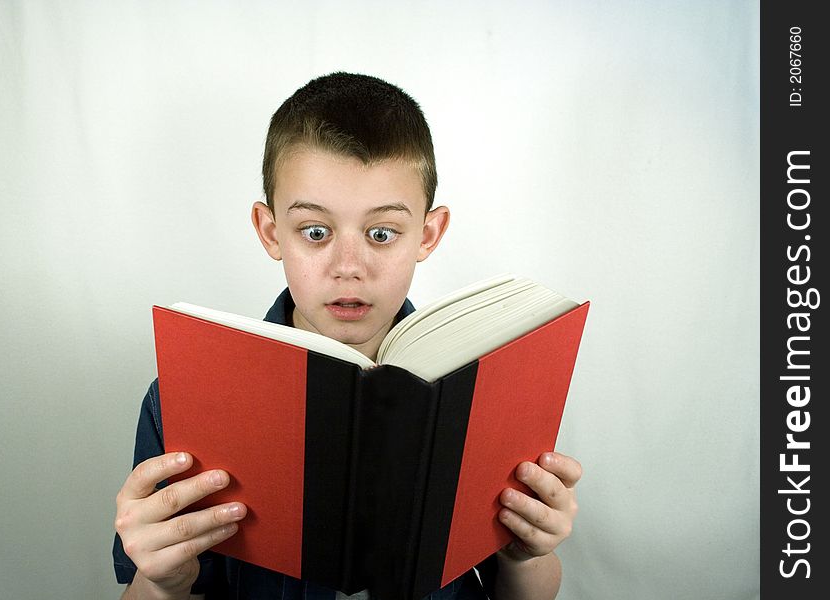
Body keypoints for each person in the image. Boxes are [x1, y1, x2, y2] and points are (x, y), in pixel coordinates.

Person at [113, 72, 582, 600]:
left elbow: (525, 593)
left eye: (382, 233)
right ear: (271, 232)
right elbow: (150, 587)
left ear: (427, 234)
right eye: (316, 232)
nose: (349, 267)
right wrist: (161, 582)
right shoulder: (184, 398)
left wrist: (530, 554)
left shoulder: (485, 385)